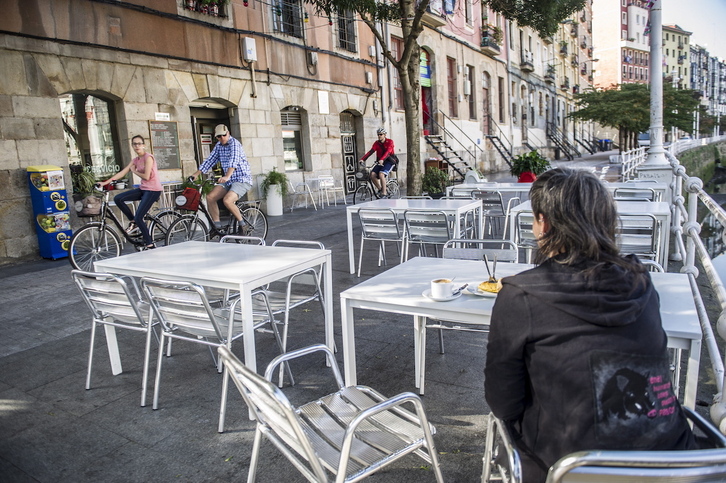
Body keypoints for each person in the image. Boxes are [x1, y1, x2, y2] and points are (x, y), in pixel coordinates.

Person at [484, 168, 695, 482]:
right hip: (670, 460)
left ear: (543, 224)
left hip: (572, 466)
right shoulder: (641, 281)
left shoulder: (520, 295)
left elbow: (503, 400)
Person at [100, 135, 162, 249]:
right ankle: (133, 221)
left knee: (140, 217)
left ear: (144, 145)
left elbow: (147, 176)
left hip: (153, 190)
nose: (137, 146)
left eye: (139, 143)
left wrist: (134, 171)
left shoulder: (148, 157)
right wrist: (105, 183)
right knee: (118, 198)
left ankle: (150, 243)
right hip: (144, 189)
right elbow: (122, 173)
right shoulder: (135, 160)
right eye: (134, 144)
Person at [190, 124, 252, 233]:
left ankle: (243, 225)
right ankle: (217, 227)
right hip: (228, 180)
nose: (222, 138)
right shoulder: (219, 146)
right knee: (210, 197)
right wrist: (196, 174)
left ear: (228, 133)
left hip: (242, 179)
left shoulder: (235, 145)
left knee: (227, 200)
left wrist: (227, 176)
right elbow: (210, 160)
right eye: (219, 136)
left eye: (224, 135)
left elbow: (234, 161)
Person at [360, 127, 396, 198]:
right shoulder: (377, 143)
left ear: (385, 135)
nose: (379, 136)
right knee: (372, 175)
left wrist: (382, 159)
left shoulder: (390, 142)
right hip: (380, 162)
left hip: (389, 161)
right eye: (378, 134)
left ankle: (384, 193)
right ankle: (380, 189)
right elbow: (370, 152)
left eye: (381, 134)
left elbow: (388, 152)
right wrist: (362, 159)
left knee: (381, 174)